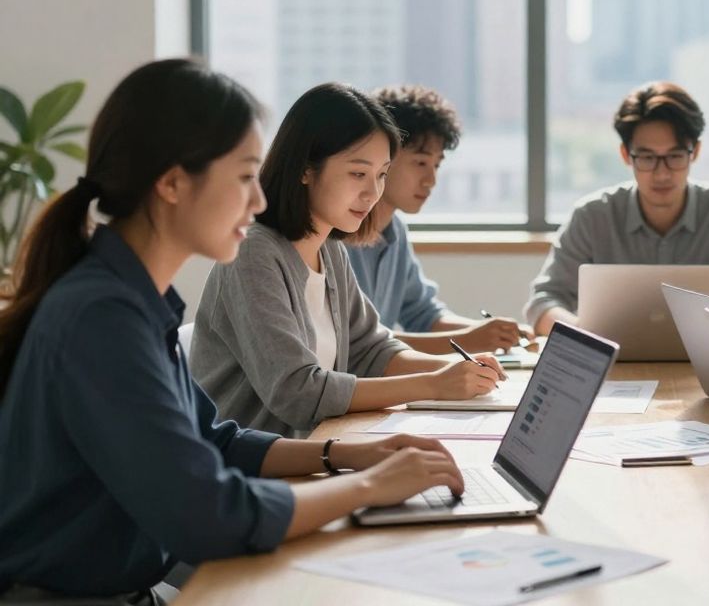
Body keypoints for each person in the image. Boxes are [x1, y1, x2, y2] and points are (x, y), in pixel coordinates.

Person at [0, 60, 464, 603]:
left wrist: (344, 455)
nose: (260, 200)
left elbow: (216, 439)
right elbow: (209, 514)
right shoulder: (101, 318)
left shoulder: (129, 301)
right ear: (172, 183)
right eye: (245, 176)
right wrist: (369, 487)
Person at [192, 83, 503, 437]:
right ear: (306, 168)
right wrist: (434, 384)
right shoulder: (254, 254)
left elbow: (371, 349)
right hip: (255, 475)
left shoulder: (331, 249)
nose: (372, 193)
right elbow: (298, 393)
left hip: (318, 451)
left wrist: (459, 369)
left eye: (381, 174)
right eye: (358, 173)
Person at [526, 81, 709, 336]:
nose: (662, 174)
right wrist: (585, 335)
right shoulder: (592, 216)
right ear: (626, 155)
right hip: (614, 368)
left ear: (694, 152)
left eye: (674, 156)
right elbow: (544, 302)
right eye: (648, 158)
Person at [347, 84, 532, 354]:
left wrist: (495, 335)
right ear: (381, 157)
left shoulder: (395, 231)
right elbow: (357, 344)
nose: (431, 180)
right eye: (421, 163)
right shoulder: (338, 234)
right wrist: (470, 340)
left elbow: (423, 315)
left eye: (437, 165)